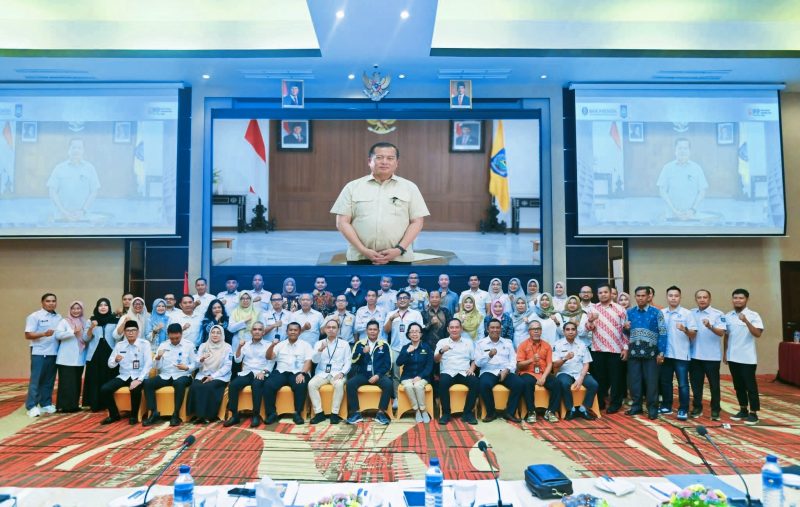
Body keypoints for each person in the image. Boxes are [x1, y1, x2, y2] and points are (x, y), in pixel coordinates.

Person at [331, 142, 430, 265]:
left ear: (397, 163)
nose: (384, 162)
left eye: (390, 158)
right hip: (360, 257)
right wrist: (363, 250)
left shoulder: (410, 187)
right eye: (379, 157)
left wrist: (399, 249)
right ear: (369, 161)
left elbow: (417, 222)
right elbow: (342, 222)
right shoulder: (352, 187)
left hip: (399, 257)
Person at [584, 284, 628, 414]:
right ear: (597, 295)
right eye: (600, 293)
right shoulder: (593, 308)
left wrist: (625, 348)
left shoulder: (620, 309)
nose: (603, 294)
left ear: (610, 293)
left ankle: (615, 403)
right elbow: (588, 329)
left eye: (605, 292)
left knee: (616, 379)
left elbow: (625, 331)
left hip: (615, 349)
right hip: (598, 349)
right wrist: (591, 321)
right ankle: (601, 402)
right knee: (600, 378)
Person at [142, 323, 196, 427]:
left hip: (183, 375)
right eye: (172, 338)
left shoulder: (189, 345)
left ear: (181, 334)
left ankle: (175, 415)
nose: (175, 340)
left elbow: (196, 363)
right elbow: (157, 367)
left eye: (177, 338)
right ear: (168, 335)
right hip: (166, 375)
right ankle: (154, 413)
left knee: (179, 383)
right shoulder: (163, 345)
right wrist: (157, 358)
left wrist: (187, 367)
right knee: (148, 383)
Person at [626, 286, 668, 420]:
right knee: (634, 382)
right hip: (634, 352)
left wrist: (661, 352)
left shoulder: (657, 313)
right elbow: (627, 333)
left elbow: (663, 333)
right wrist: (625, 329)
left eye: (643, 295)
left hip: (651, 353)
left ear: (649, 296)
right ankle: (636, 406)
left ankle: (652, 408)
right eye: (637, 295)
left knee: (651, 383)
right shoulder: (630, 312)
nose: (640, 298)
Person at [100, 320, 153, 425]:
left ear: (138, 332)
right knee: (105, 389)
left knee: (135, 389)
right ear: (124, 332)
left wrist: (139, 380)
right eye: (128, 330)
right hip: (123, 376)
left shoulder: (144, 344)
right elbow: (110, 364)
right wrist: (116, 360)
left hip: (138, 376)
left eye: (133, 330)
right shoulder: (120, 345)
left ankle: (133, 416)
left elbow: (148, 364)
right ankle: (114, 415)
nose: (131, 333)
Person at [724, 288, 763, 425]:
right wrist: (725, 352)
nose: (738, 300)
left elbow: (757, 334)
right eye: (735, 298)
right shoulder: (728, 316)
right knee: (738, 386)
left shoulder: (753, 315)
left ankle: (754, 413)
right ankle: (743, 409)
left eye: (741, 298)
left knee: (750, 385)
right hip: (732, 356)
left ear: (746, 299)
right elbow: (727, 335)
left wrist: (746, 321)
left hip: (747, 358)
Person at [223, 321, 274, 427]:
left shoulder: (268, 345)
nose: (257, 331)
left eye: (260, 329)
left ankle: (255, 415)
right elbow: (237, 360)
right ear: (251, 332)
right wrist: (239, 347)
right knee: (233, 385)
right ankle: (235, 416)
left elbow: (271, 362)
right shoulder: (245, 344)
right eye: (255, 329)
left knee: (256, 384)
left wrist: (263, 372)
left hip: (261, 372)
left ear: (263, 332)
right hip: (247, 372)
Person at [659, 286, 698, 421]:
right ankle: (666, 405)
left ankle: (683, 409)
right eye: (670, 295)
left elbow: (693, 334)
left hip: (681, 355)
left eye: (676, 295)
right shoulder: (661, 313)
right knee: (665, 382)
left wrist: (685, 329)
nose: (673, 298)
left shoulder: (687, 314)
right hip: (666, 354)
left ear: (680, 297)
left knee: (682, 384)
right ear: (667, 297)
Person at [264, 322, 313, 424]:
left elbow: (308, 361)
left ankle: (297, 413)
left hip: (298, 372)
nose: (293, 332)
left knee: (301, 383)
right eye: (290, 330)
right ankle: (272, 413)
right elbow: (269, 357)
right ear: (287, 332)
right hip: (281, 371)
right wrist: (272, 346)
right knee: (268, 384)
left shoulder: (306, 345)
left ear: (299, 332)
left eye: (295, 330)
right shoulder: (280, 344)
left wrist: (303, 373)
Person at [346, 320, 393, 425]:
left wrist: (378, 375)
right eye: (370, 329)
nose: (372, 332)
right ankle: (356, 413)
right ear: (366, 331)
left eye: (375, 329)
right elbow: (353, 360)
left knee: (388, 384)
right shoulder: (360, 344)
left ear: (378, 331)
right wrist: (362, 353)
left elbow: (388, 364)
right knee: (350, 384)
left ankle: (381, 413)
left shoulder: (384, 345)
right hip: (363, 375)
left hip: (378, 375)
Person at [476, 319, 523, 423]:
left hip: (505, 370)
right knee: (483, 384)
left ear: (501, 329)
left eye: (497, 327)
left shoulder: (507, 342)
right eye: (492, 327)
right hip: (488, 371)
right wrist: (489, 355)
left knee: (519, 383)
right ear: (487, 329)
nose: (495, 330)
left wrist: (507, 370)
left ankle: (509, 412)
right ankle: (491, 413)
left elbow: (513, 360)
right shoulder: (480, 343)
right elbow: (478, 363)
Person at [435, 318, 479, 425]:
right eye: (452, 327)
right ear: (448, 329)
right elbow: (436, 360)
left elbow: (474, 359)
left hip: (464, 371)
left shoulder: (468, 342)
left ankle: (467, 413)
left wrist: (472, 369)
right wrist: (441, 351)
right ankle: (446, 414)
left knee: (475, 382)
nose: (454, 329)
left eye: (457, 327)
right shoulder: (442, 342)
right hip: (448, 371)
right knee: (443, 382)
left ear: (461, 329)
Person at [24, 293, 62, 418]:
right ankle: (31, 406)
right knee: (36, 380)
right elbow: (28, 335)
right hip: (39, 353)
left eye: (53, 301)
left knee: (49, 380)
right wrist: (43, 334)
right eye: (48, 301)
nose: (51, 303)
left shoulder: (59, 317)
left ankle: (46, 403)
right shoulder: (35, 316)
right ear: (42, 302)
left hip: (54, 353)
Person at [690, 289, 725, 421]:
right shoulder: (691, 313)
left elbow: (721, 333)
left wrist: (710, 326)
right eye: (699, 297)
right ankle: (697, 407)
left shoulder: (718, 314)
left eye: (705, 297)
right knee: (696, 385)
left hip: (712, 356)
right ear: (696, 299)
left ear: (709, 299)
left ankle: (715, 409)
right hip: (695, 356)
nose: (702, 299)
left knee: (714, 385)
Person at [516, 321, 561, 423]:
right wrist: (531, 360)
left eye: (538, 329)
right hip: (528, 373)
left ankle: (550, 411)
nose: (536, 331)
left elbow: (550, 364)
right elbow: (519, 365)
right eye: (533, 329)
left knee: (557, 383)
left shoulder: (547, 346)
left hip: (543, 373)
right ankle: (531, 411)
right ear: (529, 331)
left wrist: (544, 377)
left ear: (541, 331)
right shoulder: (523, 345)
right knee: (527, 383)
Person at [308, 320, 352, 424]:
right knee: (311, 384)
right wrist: (320, 350)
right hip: (322, 373)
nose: (331, 329)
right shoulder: (319, 343)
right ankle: (319, 413)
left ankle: (334, 414)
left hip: (337, 373)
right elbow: (314, 360)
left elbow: (348, 361)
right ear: (325, 329)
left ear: (338, 330)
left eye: (334, 327)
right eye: (328, 327)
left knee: (339, 384)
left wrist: (342, 373)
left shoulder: (344, 344)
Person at [553, 321, 599, 421]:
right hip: (564, 372)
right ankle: (571, 409)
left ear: (576, 332)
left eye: (573, 329)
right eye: (568, 330)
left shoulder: (582, 344)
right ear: (564, 332)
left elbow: (586, 363)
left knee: (593, 384)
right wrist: (565, 358)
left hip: (580, 372)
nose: (570, 332)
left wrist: (581, 378)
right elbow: (555, 364)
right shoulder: (558, 344)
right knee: (564, 384)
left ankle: (584, 408)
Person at [384, 290, 424, 404]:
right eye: (400, 298)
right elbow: (386, 331)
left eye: (405, 298)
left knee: (413, 373)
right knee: (396, 375)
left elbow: (420, 331)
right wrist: (391, 319)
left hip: (412, 348)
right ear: (396, 301)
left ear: (409, 300)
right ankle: (396, 398)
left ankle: (414, 399)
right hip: (395, 348)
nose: (402, 300)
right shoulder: (390, 314)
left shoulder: (416, 314)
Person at [47, 138, 100, 221]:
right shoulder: (59, 168)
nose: (76, 150)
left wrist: (83, 211)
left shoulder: (90, 168)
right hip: (62, 216)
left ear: (83, 150)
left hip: (83, 217)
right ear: (69, 150)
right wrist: (64, 212)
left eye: (79, 148)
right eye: (73, 147)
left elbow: (94, 191)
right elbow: (52, 192)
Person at [188, 325, 232, 424]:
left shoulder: (227, 347)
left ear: (222, 335)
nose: (215, 335)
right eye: (213, 332)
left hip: (219, 376)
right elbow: (196, 364)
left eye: (218, 333)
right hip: (203, 374)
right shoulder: (203, 346)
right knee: (195, 386)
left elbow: (227, 366)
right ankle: (198, 415)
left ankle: (209, 416)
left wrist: (212, 377)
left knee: (209, 387)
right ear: (209, 334)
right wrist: (201, 359)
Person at [656, 138, 709, 220]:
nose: (682, 151)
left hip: (692, 214)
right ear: (675, 151)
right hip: (672, 214)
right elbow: (662, 191)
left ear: (689, 151)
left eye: (685, 148)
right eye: (680, 148)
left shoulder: (697, 168)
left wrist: (692, 210)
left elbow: (702, 191)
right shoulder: (667, 168)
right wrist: (674, 210)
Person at [83, 297, 119, 411]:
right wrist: (92, 327)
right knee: (95, 379)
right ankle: (95, 403)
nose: (103, 307)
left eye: (105, 305)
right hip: (95, 354)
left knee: (109, 377)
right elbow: (85, 338)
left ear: (109, 307)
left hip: (110, 351)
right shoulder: (91, 320)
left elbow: (117, 336)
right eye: (100, 305)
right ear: (97, 307)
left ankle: (110, 404)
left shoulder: (114, 320)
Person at [54, 301, 89, 413]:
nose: (76, 310)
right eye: (73, 308)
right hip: (66, 358)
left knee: (76, 382)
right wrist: (72, 332)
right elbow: (58, 335)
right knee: (66, 383)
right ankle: (63, 406)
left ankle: (74, 405)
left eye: (78, 308)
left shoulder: (84, 322)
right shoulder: (64, 321)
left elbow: (86, 338)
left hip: (79, 358)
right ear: (70, 310)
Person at [396, 322, 434, 423]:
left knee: (417, 386)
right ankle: (417, 410)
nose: (414, 334)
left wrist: (420, 376)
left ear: (421, 334)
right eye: (412, 332)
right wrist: (407, 352)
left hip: (422, 377)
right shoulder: (405, 347)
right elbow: (398, 363)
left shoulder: (426, 347)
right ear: (408, 335)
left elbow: (429, 366)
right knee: (408, 386)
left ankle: (423, 410)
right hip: (407, 377)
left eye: (417, 331)